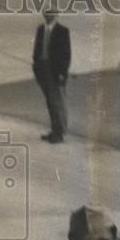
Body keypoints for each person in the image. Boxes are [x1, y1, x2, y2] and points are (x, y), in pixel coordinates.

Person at [32, 10, 71, 144]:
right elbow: (36, 50)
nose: (48, 15)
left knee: (57, 102)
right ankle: (54, 130)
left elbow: (66, 54)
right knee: (50, 101)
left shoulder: (63, 31)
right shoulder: (41, 29)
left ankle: (59, 133)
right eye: (46, 13)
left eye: (51, 13)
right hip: (42, 69)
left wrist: (62, 73)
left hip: (56, 71)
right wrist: (36, 66)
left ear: (56, 15)